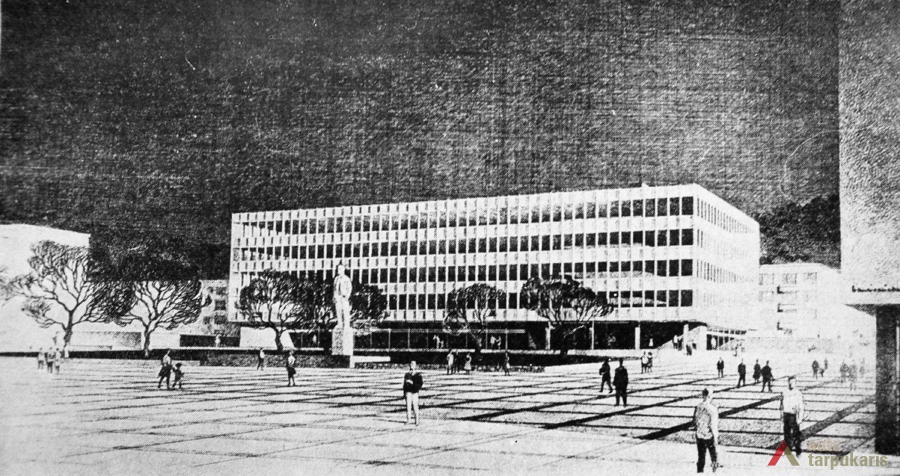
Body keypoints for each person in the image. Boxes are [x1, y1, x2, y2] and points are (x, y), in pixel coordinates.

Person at [693, 388, 720, 473]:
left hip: (699, 435)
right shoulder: (713, 409)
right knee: (714, 457)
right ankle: (715, 472)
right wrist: (716, 437)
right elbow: (713, 425)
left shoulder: (698, 406)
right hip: (709, 436)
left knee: (701, 457)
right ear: (709, 396)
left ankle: (700, 472)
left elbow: (695, 421)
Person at [780, 376, 805, 456]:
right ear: (788, 383)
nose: (791, 384)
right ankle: (788, 450)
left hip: (794, 415)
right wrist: (781, 415)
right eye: (790, 382)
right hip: (786, 414)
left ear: (795, 383)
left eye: (793, 382)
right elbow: (781, 405)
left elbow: (801, 406)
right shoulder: (784, 392)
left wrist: (800, 418)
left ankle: (798, 449)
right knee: (786, 433)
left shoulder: (798, 393)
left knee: (796, 433)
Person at [403, 361, 424, 425]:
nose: (412, 365)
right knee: (408, 407)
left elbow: (420, 385)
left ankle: (417, 421)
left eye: (413, 364)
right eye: (411, 364)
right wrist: (404, 393)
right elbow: (404, 385)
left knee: (415, 407)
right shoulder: (407, 374)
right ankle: (408, 420)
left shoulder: (418, 375)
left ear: (415, 366)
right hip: (408, 392)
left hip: (415, 393)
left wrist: (412, 383)